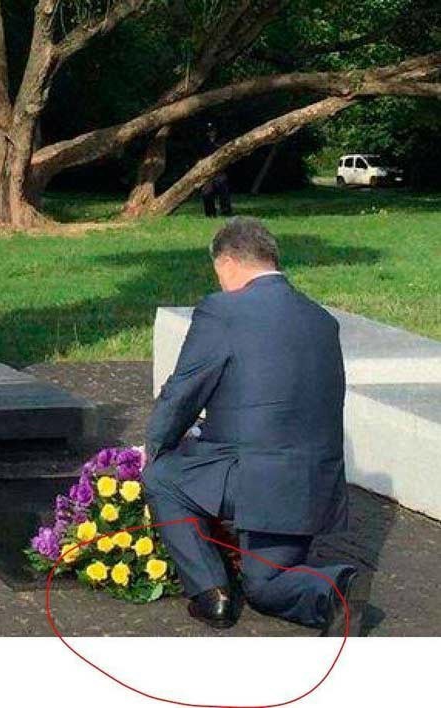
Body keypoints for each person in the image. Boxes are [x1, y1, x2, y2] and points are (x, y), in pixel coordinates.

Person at [142, 217, 368, 636]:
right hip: (311, 486)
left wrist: (155, 446)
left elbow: (185, 391)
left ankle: (211, 595)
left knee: (162, 478)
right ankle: (335, 589)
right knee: (266, 586)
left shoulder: (222, 310)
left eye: (218, 272)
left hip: (255, 478)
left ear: (228, 262)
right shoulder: (321, 319)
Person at [199, 124, 232, 218]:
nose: (211, 133)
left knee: (223, 190)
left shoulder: (222, 141)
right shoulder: (203, 143)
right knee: (206, 192)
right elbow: (199, 157)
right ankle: (210, 213)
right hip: (207, 172)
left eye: (213, 130)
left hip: (220, 171)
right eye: (209, 131)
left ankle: (226, 211)